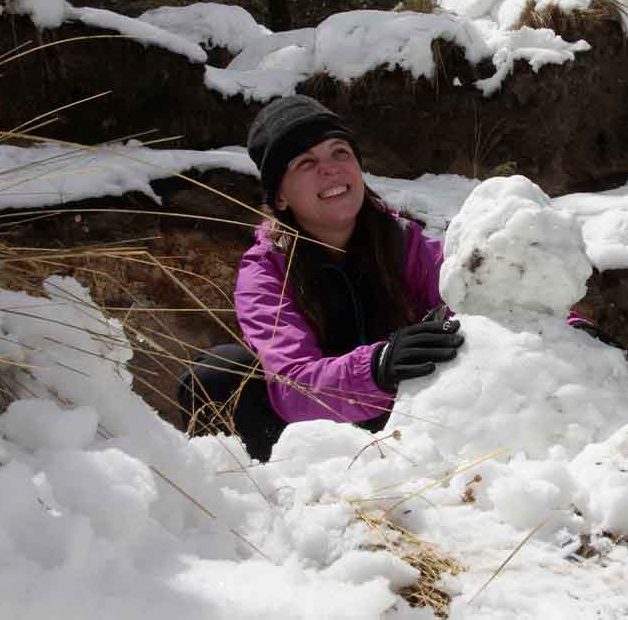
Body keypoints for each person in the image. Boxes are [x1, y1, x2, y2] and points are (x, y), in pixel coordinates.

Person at [177, 95, 464, 461]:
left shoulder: (406, 243)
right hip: (311, 448)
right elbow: (293, 386)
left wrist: (553, 320)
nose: (330, 169)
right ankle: (249, 498)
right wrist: (377, 367)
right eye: (306, 162)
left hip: (411, 432)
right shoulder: (266, 271)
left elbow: (486, 291)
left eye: (340, 153)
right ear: (280, 197)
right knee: (216, 375)